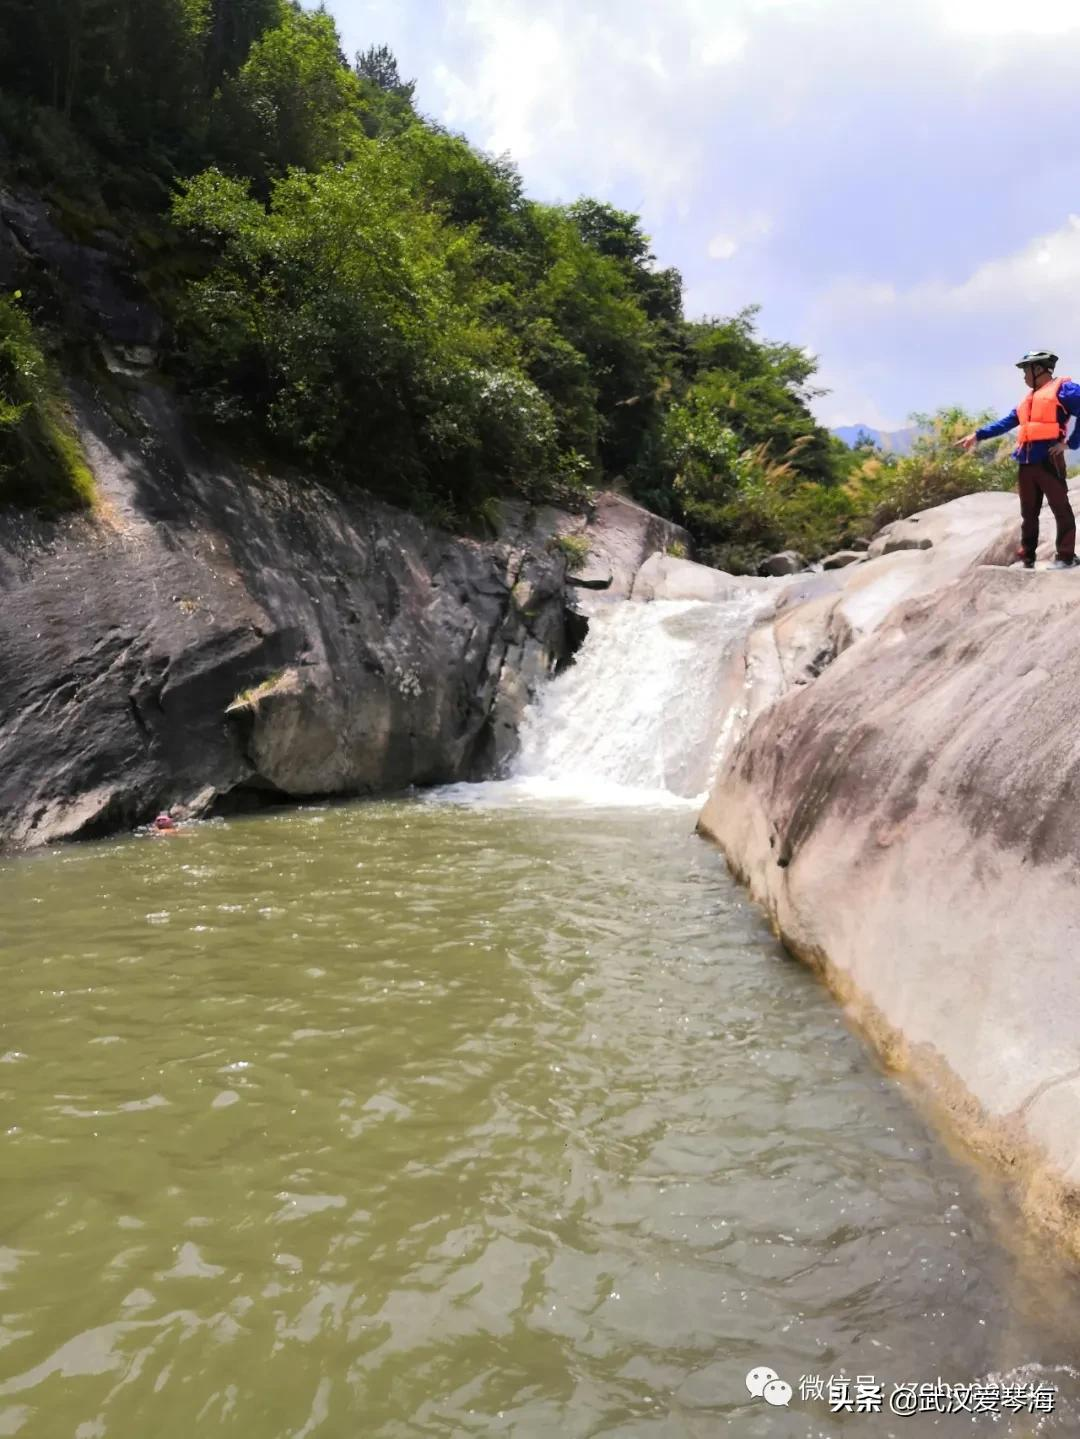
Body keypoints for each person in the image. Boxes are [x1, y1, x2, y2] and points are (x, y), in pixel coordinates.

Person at [956, 351, 1080, 570]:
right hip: (1026, 462)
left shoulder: (1064, 389)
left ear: (1039, 369)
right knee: (1028, 513)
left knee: (1060, 508)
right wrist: (978, 434)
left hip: (1048, 460)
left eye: (1026, 370)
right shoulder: (1028, 400)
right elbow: (1006, 422)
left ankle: (1066, 556)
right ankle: (1027, 558)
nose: (1023, 376)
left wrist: (1069, 444)